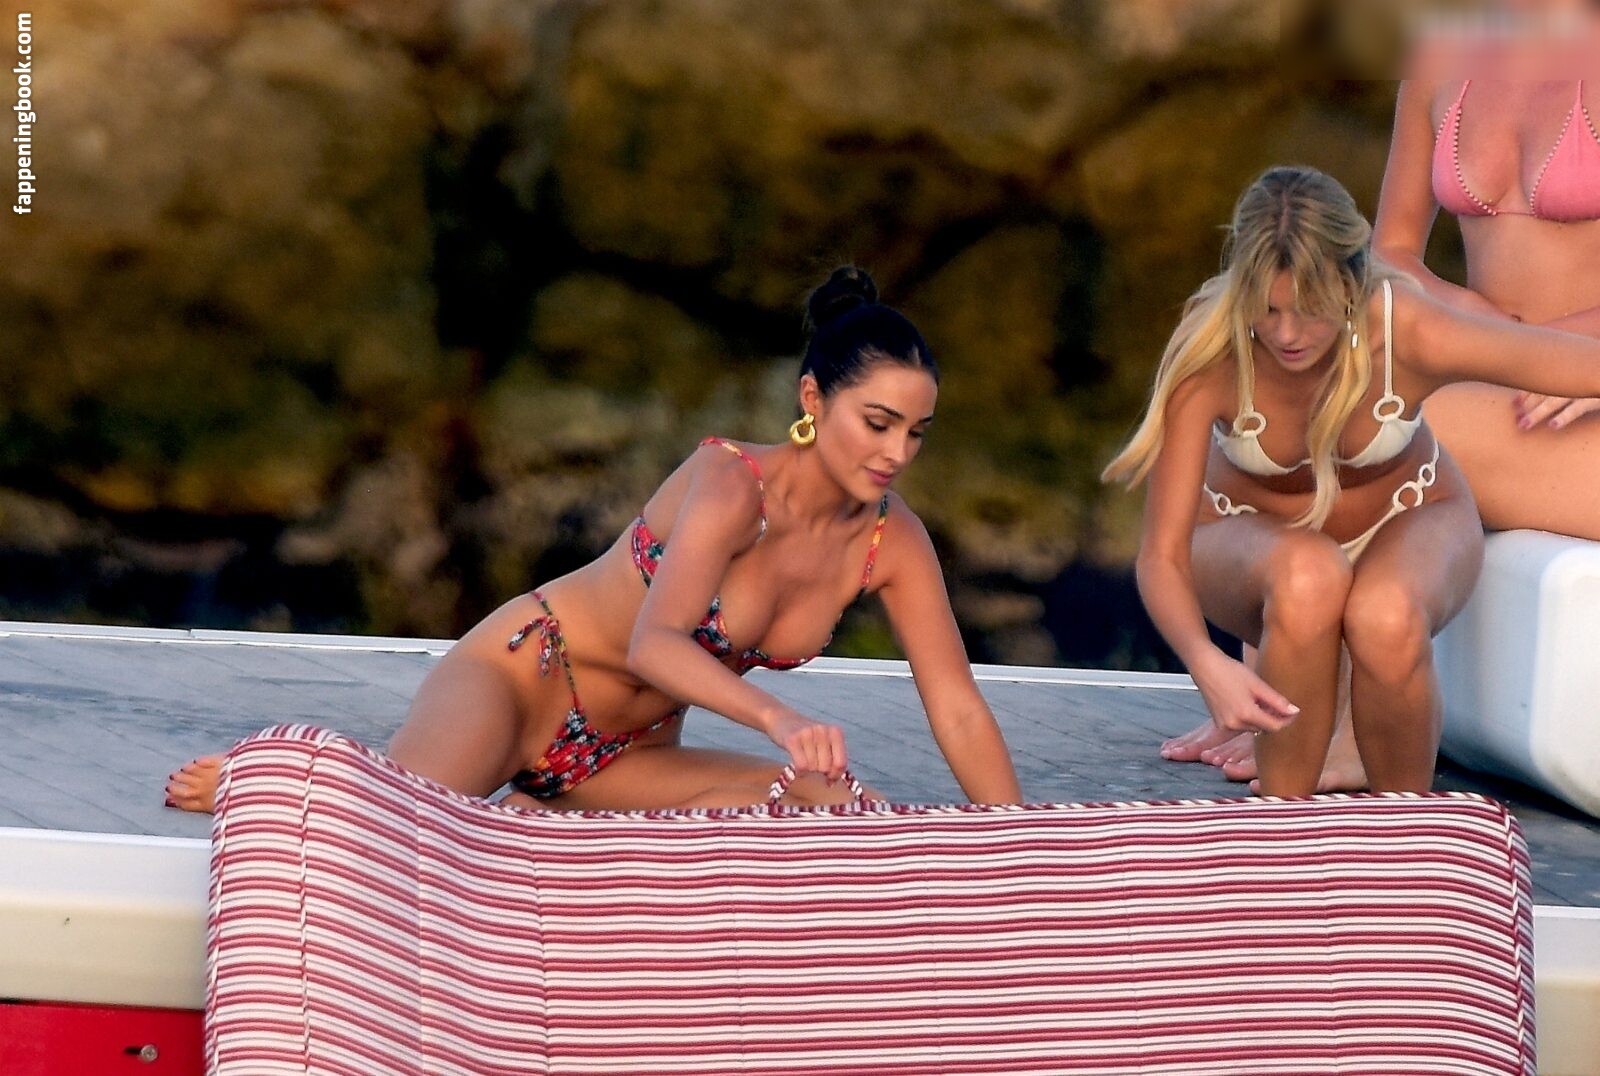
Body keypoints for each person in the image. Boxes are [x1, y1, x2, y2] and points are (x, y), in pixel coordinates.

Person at [166, 267, 1022, 812]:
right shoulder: (731, 485)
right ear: (812, 400)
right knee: (403, 826)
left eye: (916, 433)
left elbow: (955, 705)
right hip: (525, 680)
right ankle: (276, 783)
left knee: (829, 803)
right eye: (877, 422)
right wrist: (778, 715)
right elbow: (657, 643)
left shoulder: (891, 542)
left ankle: (535, 818)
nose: (895, 453)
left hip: (628, 756)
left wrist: (1017, 845)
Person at [1163, 32, 1600, 785]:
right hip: (1493, 377)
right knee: (1298, 387)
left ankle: (1330, 719)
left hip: (1575, 401)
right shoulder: (1442, 59)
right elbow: (1391, 250)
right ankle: (1282, 686)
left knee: (1346, 420)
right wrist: (1472, 327)